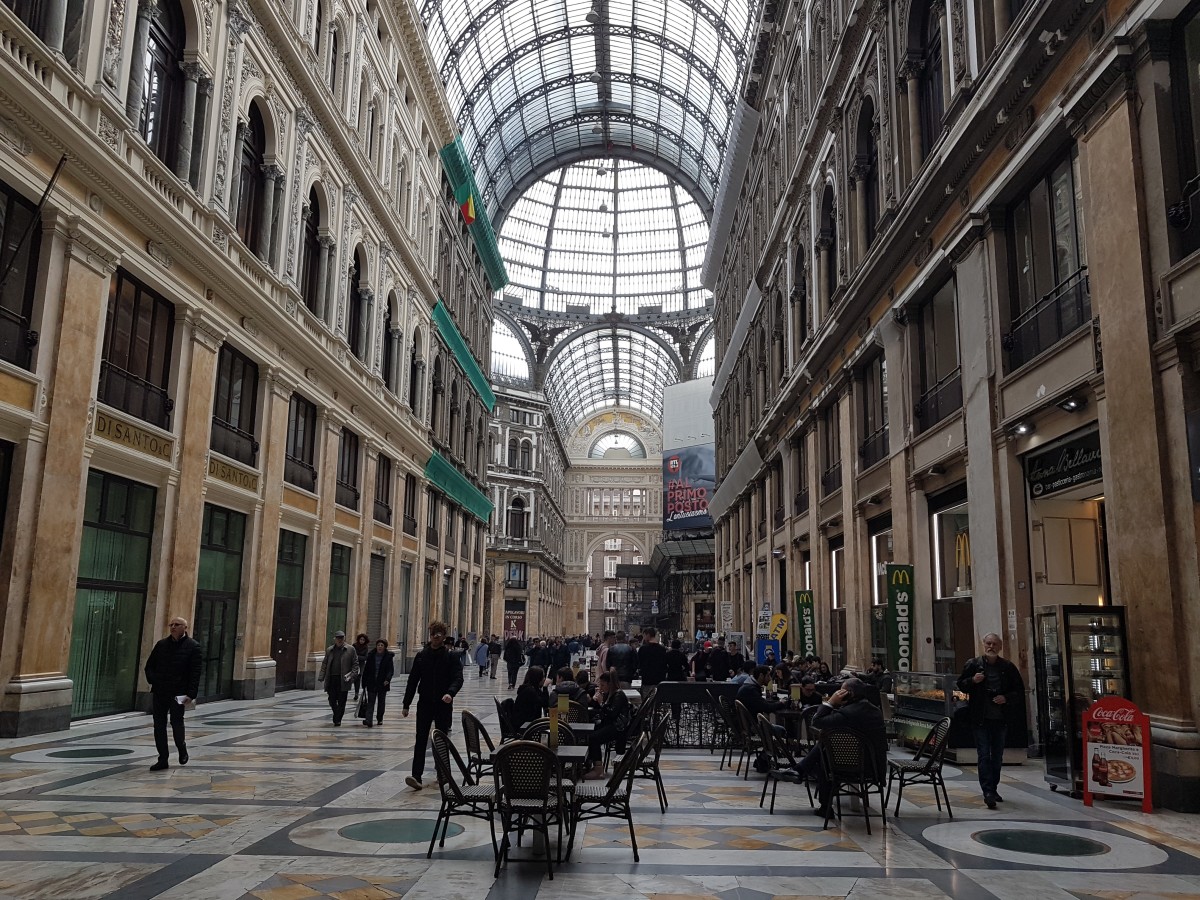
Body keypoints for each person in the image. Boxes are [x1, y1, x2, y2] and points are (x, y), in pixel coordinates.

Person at [792, 677, 888, 817]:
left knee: (826, 755)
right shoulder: (873, 710)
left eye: (841, 690)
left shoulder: (849, 712)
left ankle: (824, 804)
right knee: (825, 748)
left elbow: (817, 721)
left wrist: (831, 703)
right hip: (874, 766)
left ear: (850, 693)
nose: (838, 693)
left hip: (858, 768)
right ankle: (801, 770)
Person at [957, 633, 1025, 809]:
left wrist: (1006, 698)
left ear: (1000, 646)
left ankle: (993, 788)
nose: (991, 646)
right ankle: (987, 791)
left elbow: (1019, 691)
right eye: (988, 643)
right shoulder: (973, 664)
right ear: (983, 644)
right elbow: (961, 684)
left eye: (995, 644)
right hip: (980, 718)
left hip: (1000, 719)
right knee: (983, 755)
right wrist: (973, 680)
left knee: (997, 756)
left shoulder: (1008, 667)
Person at [401, 621, 463, 790]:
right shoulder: (422, 656)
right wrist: (406, 703)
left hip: (443, 703)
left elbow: (458, 678)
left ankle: (442, 773)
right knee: (420, 738)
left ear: (443, 637)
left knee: (441, 739)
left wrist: (450, 693)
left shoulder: (451, 657)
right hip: (425, 702)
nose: (435, 638)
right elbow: (413, 680)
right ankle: (416, 775)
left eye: (439, 635)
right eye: (433, 635)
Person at [144, 616, 202, 772]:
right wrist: (154, 680)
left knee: (177, 722)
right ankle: (162, 758)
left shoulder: (193, 647)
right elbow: (149, 666)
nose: (173, 627)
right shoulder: (161, 645)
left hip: (179, 693)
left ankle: (181, 748)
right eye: (171, 625)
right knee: (159, 725)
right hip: (160, 691)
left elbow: (195, 673)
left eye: (177, 625)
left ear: (185, 628)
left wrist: (191, 694)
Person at [582, 669, 632, 780]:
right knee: (589, 732)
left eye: (603, 685)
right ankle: (590, 762)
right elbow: (602, 709)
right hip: (610, 724)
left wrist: (601, 703)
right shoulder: (609, 694)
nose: (601, 687)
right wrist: (594, 700)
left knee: (593, 738)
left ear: (610, 684)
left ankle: (598, 770)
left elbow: (611, 713)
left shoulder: (618, 695)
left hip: (618, 727)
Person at [318, 631, 359, 726]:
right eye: (338, 638)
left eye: (341, 638)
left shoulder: (350, 649)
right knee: (331, 699)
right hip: (332, 678)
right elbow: (325, 663)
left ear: (344, 638)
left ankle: (338, 719)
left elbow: (355, 664)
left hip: (344, 679)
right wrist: (321, 676)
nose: (339, 640)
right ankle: (336, 713)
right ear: (335, 639)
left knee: (342, 700)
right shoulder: (330, 650)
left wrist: (352, 675)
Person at [360, 639, 394, 727]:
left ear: (385, 647)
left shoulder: (388, 657)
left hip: (383, 683)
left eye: (381, 645)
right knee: (371, 702)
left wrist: (388, 679)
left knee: (381, 702)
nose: (379, 647)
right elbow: (366, 670)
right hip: (372, 682)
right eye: (378, 645)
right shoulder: (371, 656)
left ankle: (380, 718)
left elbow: (390, 670)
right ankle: (369, 720)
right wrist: (364, 682)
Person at [351, 633, 371, 701]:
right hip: (353, 664)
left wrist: (357, 657)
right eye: (361, 639)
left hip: (361, 665)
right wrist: (358, 657)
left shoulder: (366, 647)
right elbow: (352, 655)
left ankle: (356, 693)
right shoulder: (354, 646)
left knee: (358, 678)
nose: (362, 641)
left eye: (363, 640)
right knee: (352, 677)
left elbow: (365, 657)